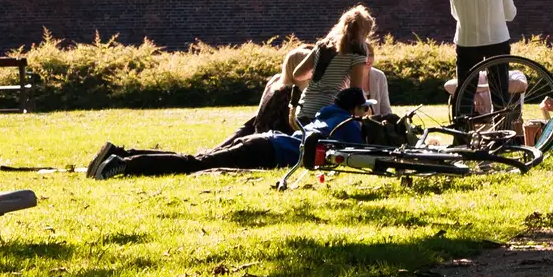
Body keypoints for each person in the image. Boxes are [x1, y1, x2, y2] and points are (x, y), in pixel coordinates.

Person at [87, 86, 369, 178]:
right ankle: (125, 166)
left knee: (196, 158)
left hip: (264, 140)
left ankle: (121, 153)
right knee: (195, 165)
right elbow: (359, 153)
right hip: (268, 150)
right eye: (364, 109)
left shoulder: (325, 115)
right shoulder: (347, 125)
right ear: (356, 109)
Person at [449, 0, 516, 124]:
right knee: (499, 89)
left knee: (465, 89)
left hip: (466, 39)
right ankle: (503, 132)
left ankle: (461, 134)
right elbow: (510, 14)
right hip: (496, 38)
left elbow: (455, 13)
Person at [295, 7, 377, 124]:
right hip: (329, 113)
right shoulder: (358, 50)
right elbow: (355, 91)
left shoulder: (322, 45)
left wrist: (320, 78)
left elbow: (297, 74)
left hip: (303, 110)